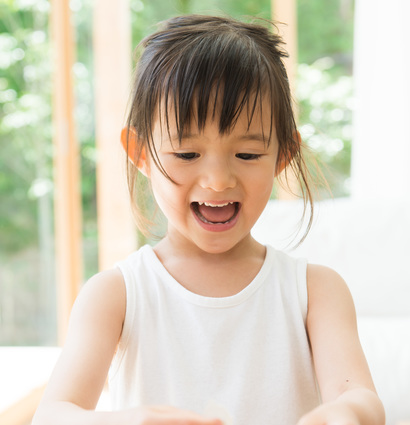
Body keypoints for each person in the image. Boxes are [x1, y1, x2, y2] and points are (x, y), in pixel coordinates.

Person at [32, 14, 385, 425]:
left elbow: (358, 394)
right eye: (187, 154)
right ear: (141, 153)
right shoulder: (116, 294)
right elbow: (53, 415)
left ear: (283, 156)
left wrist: (343, 414)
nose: (218, 181)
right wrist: (130, 420)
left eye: (248, 155)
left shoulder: (315, 291)